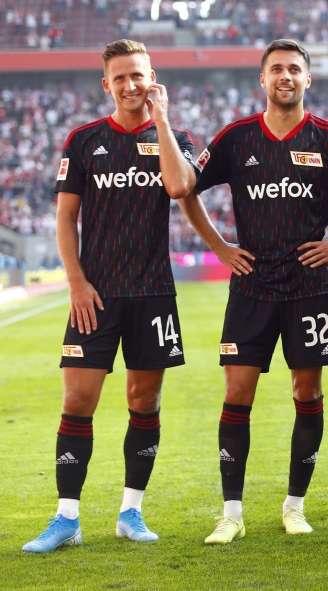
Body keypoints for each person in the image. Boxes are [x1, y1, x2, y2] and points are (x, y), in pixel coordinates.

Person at [180, 39, 328, 543]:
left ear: (309, 80)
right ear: (262, 80)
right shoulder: (236, 138)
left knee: (307, 393)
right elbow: (184, 188)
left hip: (309, 288)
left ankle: (295, 505)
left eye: (295, 70)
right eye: (276, 69)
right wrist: (220, 246)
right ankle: (231, 513)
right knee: (237, 394)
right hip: (250, 287)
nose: (286, 76)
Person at [23, 39, 198, 553]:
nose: (129, 86)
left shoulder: (175, 137)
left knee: (144, 401)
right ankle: (66, 518)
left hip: (152, 295)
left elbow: (179, 188)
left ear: (152, 79)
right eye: (119, 78)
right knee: (77, 401)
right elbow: (65, 217)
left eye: (138, 76)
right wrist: (76, 281)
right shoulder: (83, 140)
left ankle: (130, 510)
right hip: (94, 295)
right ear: (107, 84)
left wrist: (162, 122)